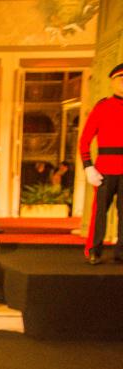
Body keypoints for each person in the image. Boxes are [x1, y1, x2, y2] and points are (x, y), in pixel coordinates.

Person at [81, 62, 123, 265]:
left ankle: (121, 252)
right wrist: (88, 166)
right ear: (112, 82)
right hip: (105, 167)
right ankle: (94, 249)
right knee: (99, 213)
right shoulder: (103, 107)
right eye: (121, 79)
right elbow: (85, 139)